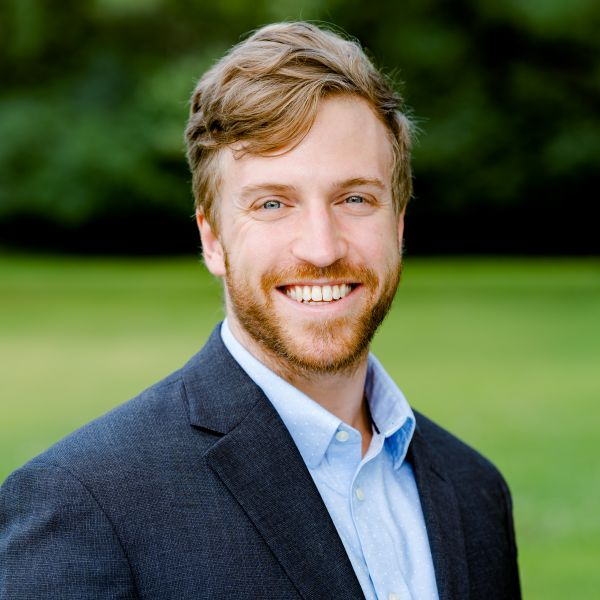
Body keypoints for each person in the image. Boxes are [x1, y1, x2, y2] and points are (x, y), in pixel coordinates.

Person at [0, 22, 520, 600]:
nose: (321, 248)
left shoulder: (474, 492)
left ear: (397, 225)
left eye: (355, 199)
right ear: (213, 239)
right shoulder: (83, 503)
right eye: (273, 203)